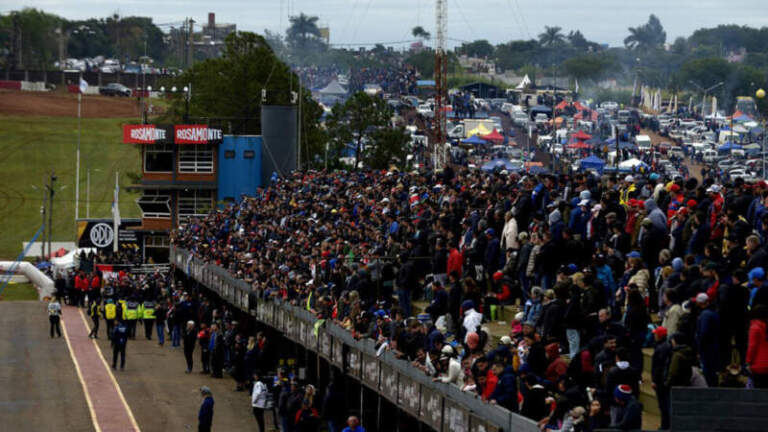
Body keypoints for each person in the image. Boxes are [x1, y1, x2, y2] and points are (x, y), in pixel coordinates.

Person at [650, 326, 672, 430]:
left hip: (660, 381)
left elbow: (658, 367)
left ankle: (665, 425)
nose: (654, 335)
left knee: (663, 405)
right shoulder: (667, 345)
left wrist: (655, 380)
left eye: (655, 333)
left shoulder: (660, 348)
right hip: (664, 380)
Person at [746, 305, 768, 388]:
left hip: (758, 365)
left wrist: (748, 362)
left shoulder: (755, 328)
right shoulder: (765, 327)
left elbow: (752, 346)